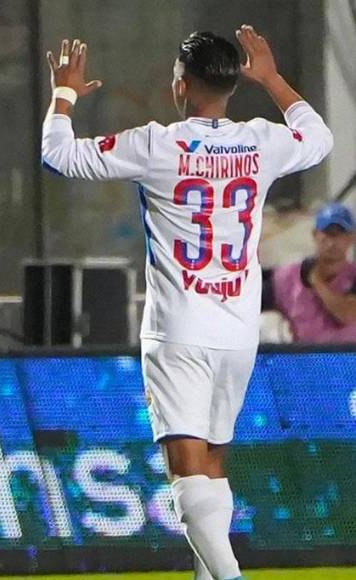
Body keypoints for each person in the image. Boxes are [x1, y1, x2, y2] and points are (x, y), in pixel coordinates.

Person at [41, 26, 332, 580]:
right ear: (231, 85)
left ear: (181, 85)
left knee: (185, 471)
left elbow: (59, 156)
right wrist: (271, 79)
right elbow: (319, 138)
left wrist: (65, 94)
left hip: (178, 329)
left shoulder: (157, 144)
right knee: (213, 463)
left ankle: (229, 576)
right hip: (238, 330)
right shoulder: (261, 141)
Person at [267, 203, 356, 343]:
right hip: (302, 359)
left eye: (339, 235)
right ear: (315, 235)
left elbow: (349, 315)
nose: (332, 242)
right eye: (327, 234)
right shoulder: (288, 276)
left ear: (351, 238)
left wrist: (316, 281)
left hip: (347, 359)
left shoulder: (353, 275)